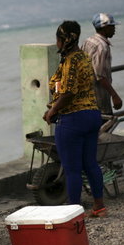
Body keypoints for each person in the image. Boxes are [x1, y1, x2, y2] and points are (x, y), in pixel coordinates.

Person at [43, 21, 107, 217]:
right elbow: (65, 88)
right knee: (90, 164)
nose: (56, 43)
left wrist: (52, 111)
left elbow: (69, 92)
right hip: (92, 115)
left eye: (57, 39)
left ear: (64, 40)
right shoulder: (82, 57)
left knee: (72, 169)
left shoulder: (70, 60)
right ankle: (99, 207)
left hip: (73, 120)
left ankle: (74, 215)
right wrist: (55, 101)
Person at [81, 12, 123, 117]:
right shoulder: (102, 47)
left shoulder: (88, 41)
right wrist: (114, 95)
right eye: (112, 26)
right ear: (105, 28)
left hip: (86, 99)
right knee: (104, 130)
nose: (114, 29)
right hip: (99, 101)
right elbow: (100, 75)